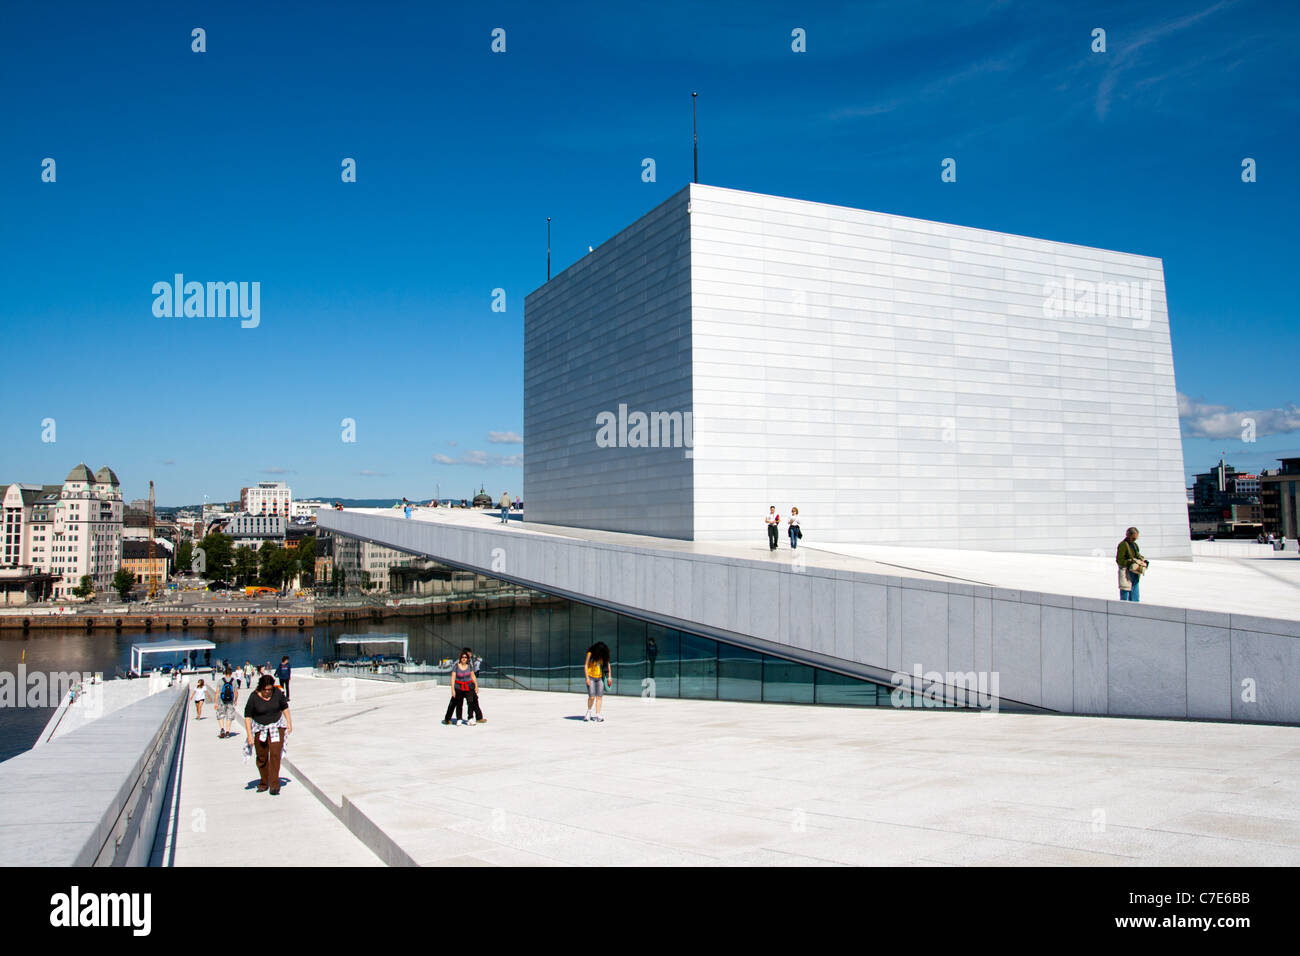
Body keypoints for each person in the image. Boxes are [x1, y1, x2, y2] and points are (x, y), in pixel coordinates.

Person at [244, 675, 292, 795]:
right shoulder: (254, 697)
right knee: (262, 757)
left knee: (275, 754)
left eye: (269, 689)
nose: (267, 692)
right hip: (260, 729)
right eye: (265, 690)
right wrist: (249, 735)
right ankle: (264, 782)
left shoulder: (277, 693)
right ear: (261, 688)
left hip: (276, 727)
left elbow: (285, 708)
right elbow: (248, 716)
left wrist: (289, 723)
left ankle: (274, 784)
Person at [442, 649, 479, 725]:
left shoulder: (470, 665)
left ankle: (470, 718)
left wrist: (476, 685)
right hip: (458, 687)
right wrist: (452, 690)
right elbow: (453, 678)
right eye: (462, 657)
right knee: (458, 703)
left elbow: (473, 676)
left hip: (468, 687)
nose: (464, 658)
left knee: (471, 702)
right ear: (460, 658)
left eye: (466, 657)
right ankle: (458, 719)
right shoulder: (456, 666)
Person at [1116, 527, 1148, 602]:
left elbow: (1137, 555)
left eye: (1136, 538)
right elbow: (1119, 560)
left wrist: (1142, 561)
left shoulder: (1134, 545)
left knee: (1135, 591)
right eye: (1133, 538)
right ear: (1128, 535)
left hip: (1134, 571)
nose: (1134, 540)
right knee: (1125, 589)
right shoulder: (1123, 545)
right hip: (1126, 571)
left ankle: (1135, 605)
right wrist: (1130, 563)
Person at [584, 642, 613, 722]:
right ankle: (589, 712)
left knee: (599, 697)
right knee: (591, 696)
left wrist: (609, 677)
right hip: (591, 677)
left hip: (600, 678)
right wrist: (587, 678)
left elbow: (608, 665)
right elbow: (586, 665)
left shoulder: (603, 655)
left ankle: (598, 714)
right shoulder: (590, 653)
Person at [216, 667, 239, 738]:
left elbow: (217, 692)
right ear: (231, 673)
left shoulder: (220, 680)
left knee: (220, 715)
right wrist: (235, 700)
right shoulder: (234, 681)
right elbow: (235, 692)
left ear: (225, 673)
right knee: (229, 716)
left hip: (221, 701)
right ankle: (228, 731)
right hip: (230, 701)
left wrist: (215, 703)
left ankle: (222, 729)